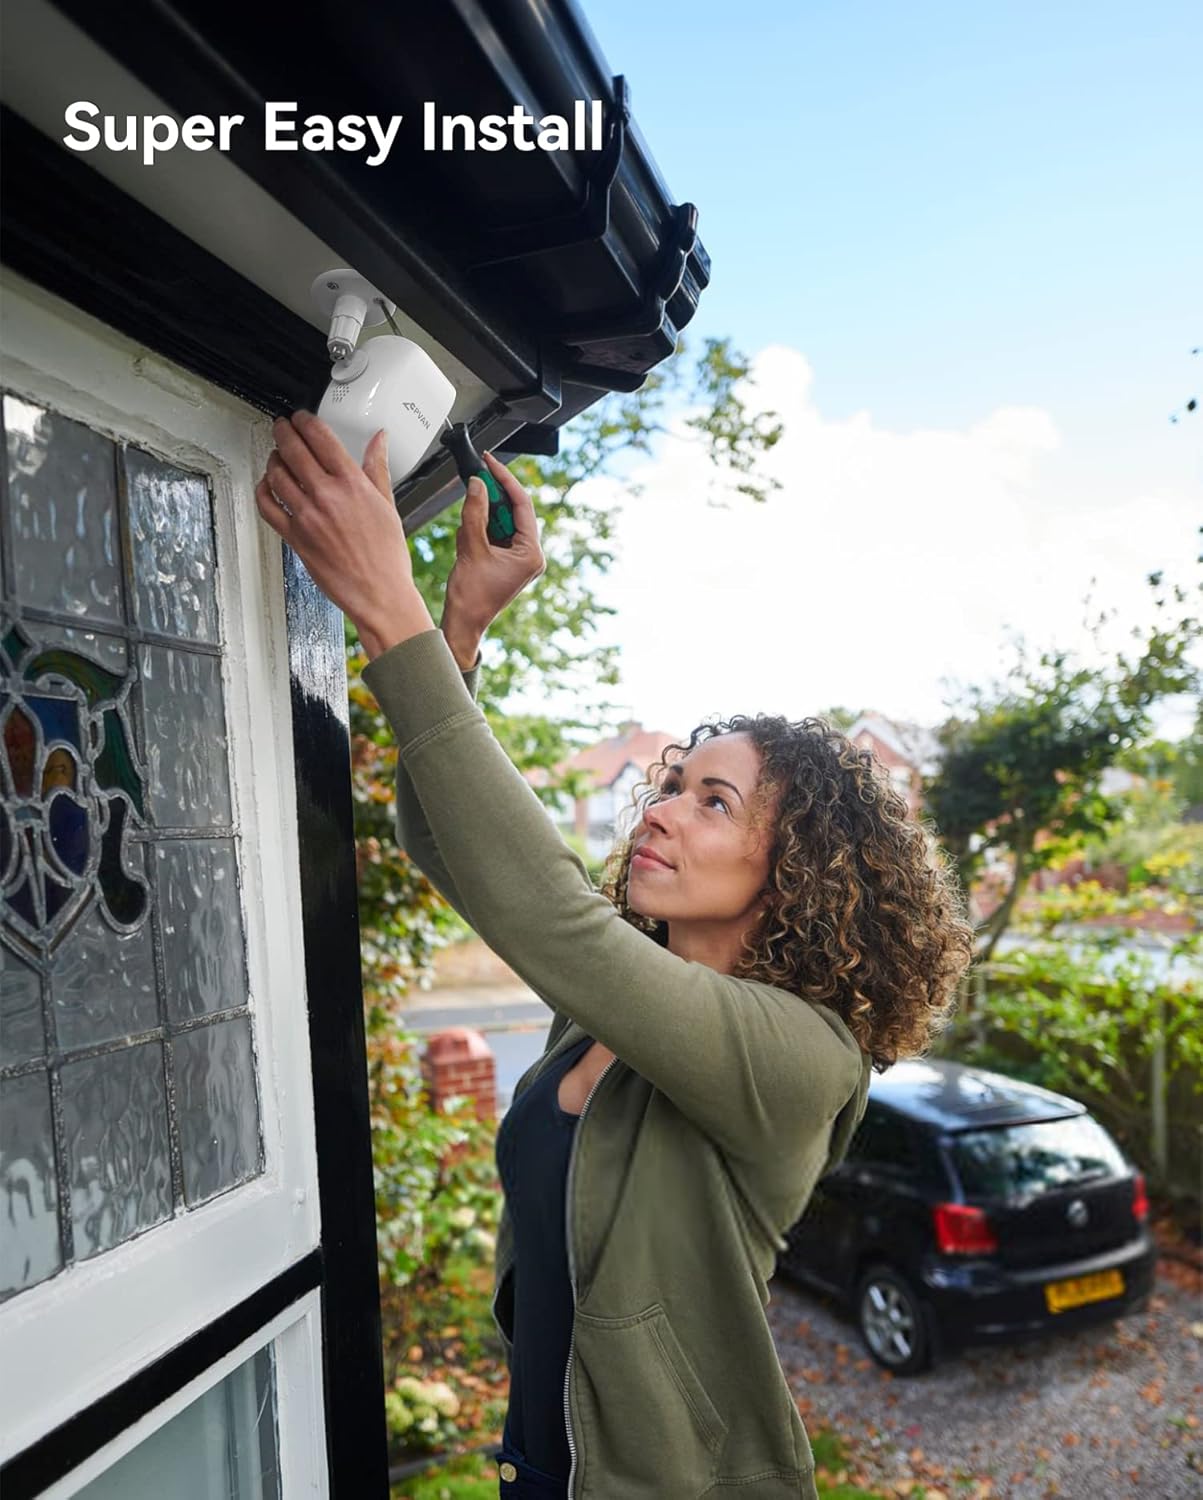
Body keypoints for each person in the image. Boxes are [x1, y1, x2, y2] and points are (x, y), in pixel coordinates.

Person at [256, 413, 974, 1500]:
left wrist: (387, 612)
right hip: (541, 1472)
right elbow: (447, 842)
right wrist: (457, 627)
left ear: (797, 869)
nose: (663, 809)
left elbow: (552, 915)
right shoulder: (608, 1012)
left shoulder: (803, 1059)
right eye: (672, 784)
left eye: (713, 801)